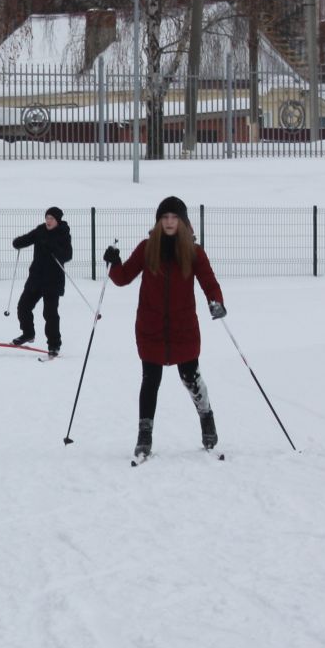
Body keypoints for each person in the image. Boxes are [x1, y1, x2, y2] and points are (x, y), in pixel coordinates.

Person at [102, 196, 226, 461]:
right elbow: (123, 278)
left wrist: (216, 302)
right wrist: (113, 263)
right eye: (165, 218)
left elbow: (209, 281)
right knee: (150, 381)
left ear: (182, 222)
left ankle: (207, 421)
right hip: (151, 327)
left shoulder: (193, 252)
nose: (169, 222)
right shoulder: (148, 248)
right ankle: (144, 437)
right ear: (159, 222)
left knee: (191, 379)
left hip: (183, 329)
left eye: (174, 218)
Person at [9, 206, 73, 356]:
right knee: (23, 307)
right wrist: (18, 242)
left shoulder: (63, 234)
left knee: (50, 314)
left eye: (51, 218)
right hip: (36, 278)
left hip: (53, 281)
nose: (48, 221)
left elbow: (67, 255)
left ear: (57, 220)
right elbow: (27, 239)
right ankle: (28, 333)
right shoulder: (40, 230)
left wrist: (53, 246)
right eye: (47, 218)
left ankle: (54, 345)